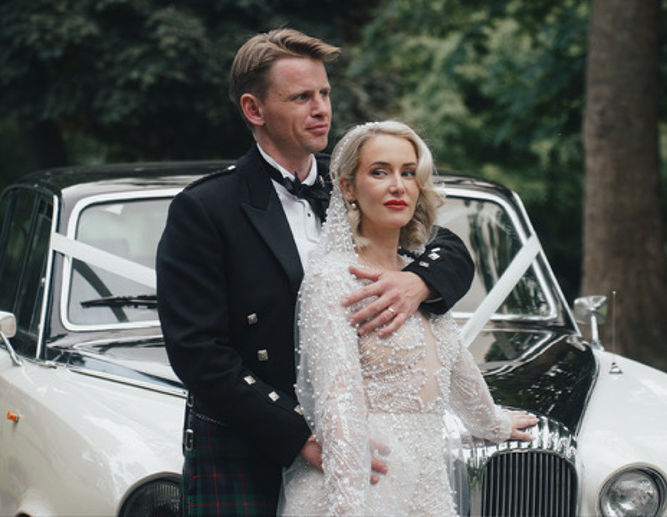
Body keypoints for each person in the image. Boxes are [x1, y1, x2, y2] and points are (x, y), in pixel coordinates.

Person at [156, 29, 476, 515]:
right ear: (254, 110)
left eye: (324, 93)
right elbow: (198, 352)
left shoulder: (352, 182)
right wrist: (299, 435)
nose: (321, 108)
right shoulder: (204, 209)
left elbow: (447, 246)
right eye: (301, 97)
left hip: (362, 446)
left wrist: (419, 281)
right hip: (250, 442)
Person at [280, 120, 538, 516]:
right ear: (348, 187)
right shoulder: (331, 279)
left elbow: (454, 370)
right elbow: (339, 404)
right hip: (364, 485)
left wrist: (494, 424)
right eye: (379, 172)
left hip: (427, 484)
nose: (398, 186)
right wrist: (349, 508)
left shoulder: (418, 277)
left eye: (408, 173)